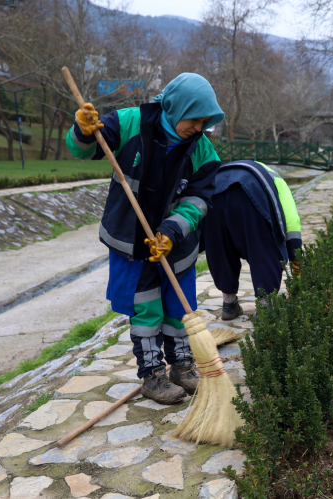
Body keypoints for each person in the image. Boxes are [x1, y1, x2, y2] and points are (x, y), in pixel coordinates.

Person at [66, 73, 224, 405]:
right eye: (194, 120)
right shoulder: (129, 123)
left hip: (176, 243)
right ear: (176, 108)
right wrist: (83, 130)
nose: (199, 128)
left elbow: (199, 200)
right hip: (133, 242)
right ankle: (152, 375)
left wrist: (171, 232)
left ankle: (182, 365)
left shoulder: (203, 151)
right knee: (146, 308)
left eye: (204, 122)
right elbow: (83, 150)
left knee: (180, 307)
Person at [201, 160, 301, 320]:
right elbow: (291, 219)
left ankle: (229, 304)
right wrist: (296, 255)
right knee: (263, 248)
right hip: (251, 189)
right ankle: (265, 307)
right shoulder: (278, 179)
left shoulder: (235, 168)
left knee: (220, 248)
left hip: (214, 190)